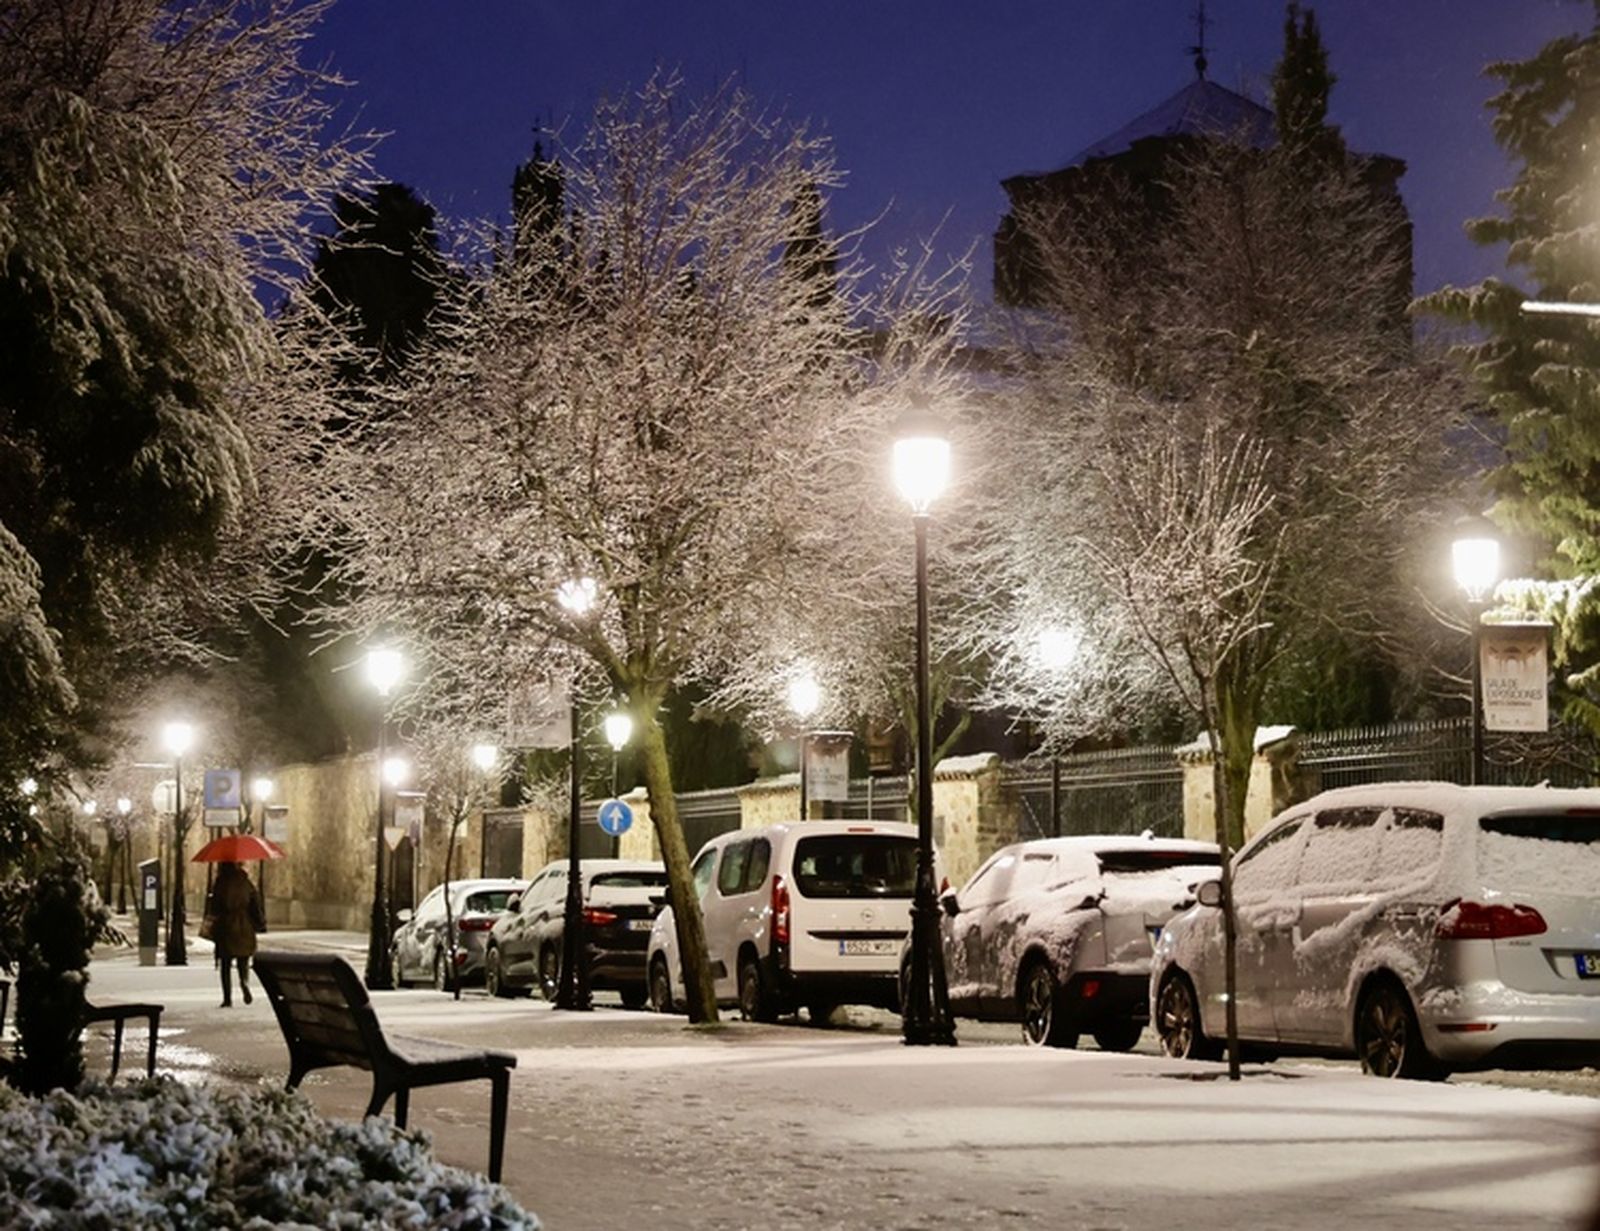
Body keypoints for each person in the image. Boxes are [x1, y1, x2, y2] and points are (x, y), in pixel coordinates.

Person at [206, 861, 265, 1008]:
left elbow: (214, 908)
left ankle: (227, 998)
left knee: (225, 965)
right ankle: (244, 981)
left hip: (226, 926)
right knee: (243, 960)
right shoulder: (246, 883)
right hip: (244, 925)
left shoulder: (220, 883)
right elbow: (255, 905)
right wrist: (259, 923)